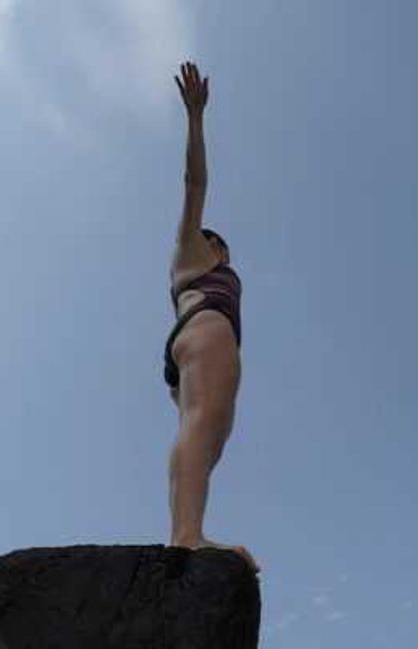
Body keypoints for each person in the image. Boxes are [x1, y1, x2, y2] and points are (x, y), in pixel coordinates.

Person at [164, 61, 260, 574]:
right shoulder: (192, 252)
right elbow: (194, 184)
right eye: (214, 239)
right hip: (202, 328)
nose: (218, 244)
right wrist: (196, 118)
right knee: (202, 424)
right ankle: (185, 536)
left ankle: (187, 529)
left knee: (209, 434)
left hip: (201, 338)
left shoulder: (205, 263)